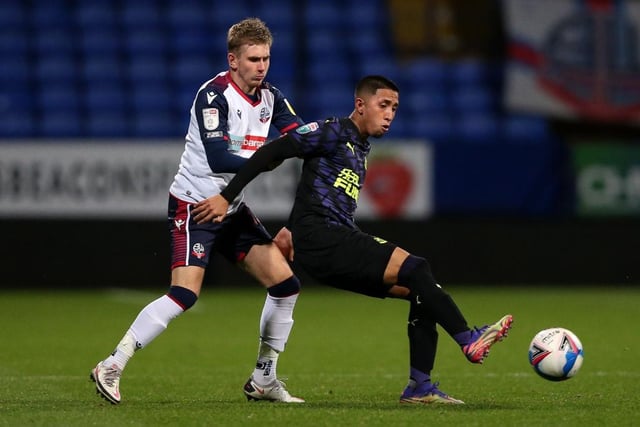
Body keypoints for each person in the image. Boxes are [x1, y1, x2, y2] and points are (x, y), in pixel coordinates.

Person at [193, 75, 514, 404]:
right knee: (417, 268)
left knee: (423, 290)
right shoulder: (332, 131)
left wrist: (290, 226)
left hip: (328, 241)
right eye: (383, 105)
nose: (390, 114)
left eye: (395, 108)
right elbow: (272, 151)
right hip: (323, 238)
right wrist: (226, 196)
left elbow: (314, 186)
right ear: (360, 105)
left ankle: (419, 387)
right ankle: (467, 339)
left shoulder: (359, 146)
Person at [91, 18, 305, 404]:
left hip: (232, 208)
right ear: (233, 59)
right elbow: (219, 156)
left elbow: (300, 136)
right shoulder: (213, 96)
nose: (261, 66)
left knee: (286, 284)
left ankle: (264, 378)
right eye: (253, 59)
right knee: (184, 294)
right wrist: (272, 157)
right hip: (196, 207)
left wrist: (333, 138)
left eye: (266, 59)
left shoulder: (271, 96)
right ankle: (113, 363)